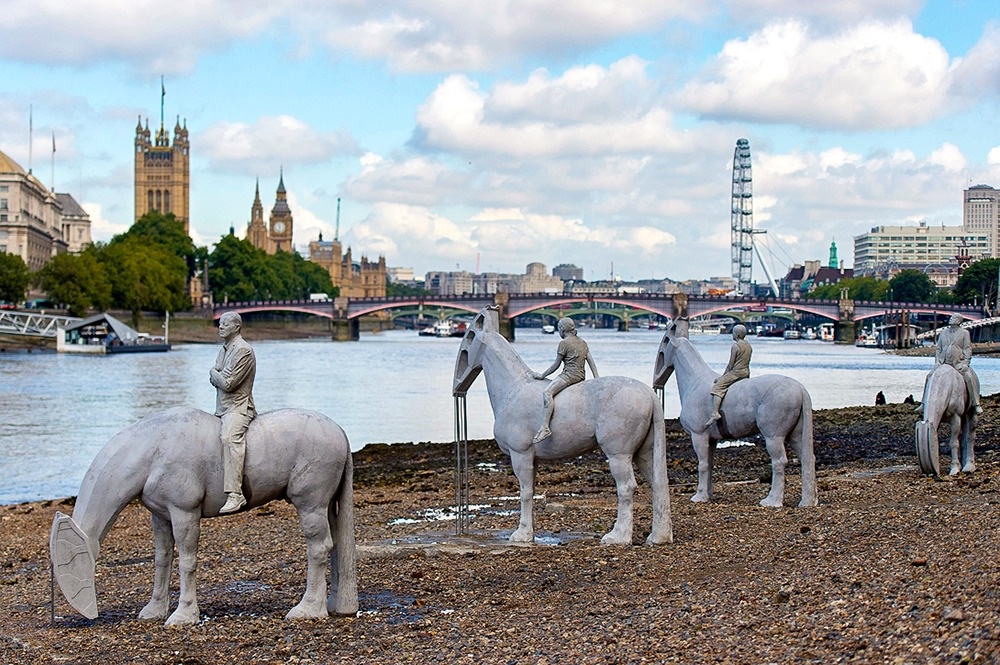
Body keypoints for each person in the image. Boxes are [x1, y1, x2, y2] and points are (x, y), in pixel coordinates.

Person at [210, 311, 257, 513]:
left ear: (236, 327)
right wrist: (216, 375)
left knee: (230, 438)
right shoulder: (225, 349)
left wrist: (213, 374)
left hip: (239, 407)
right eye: (219, 324)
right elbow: (218, 376)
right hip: (223, 407)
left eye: (224, 324)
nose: (220, 327)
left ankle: (235, 494)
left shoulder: (243, 350)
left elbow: (227, 383)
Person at [531, 317, 598, 443]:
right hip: (581, 376)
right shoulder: (582, 342)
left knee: (547, 393)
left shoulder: (564, 343)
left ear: (562, 330)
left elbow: (555, 365)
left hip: (569, 376)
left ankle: (545, 427)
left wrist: (542, 375)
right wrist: (597, 379)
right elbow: (591, 363)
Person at [705, 324, 752, 428]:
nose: (732, 334)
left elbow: (730, 365)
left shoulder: (736, 346)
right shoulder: (748, 345)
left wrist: (722, 378)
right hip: (746, 373)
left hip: (736, 373)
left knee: (717, 387)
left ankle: (715, 413)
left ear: (737, 334)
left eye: (733, 332)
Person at [935, 313, 982, 415]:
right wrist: (937, 362)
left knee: (969, 377)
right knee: (930, 376)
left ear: (959, 321)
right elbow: (938, 349)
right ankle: (924, 403)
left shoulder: (965, 333)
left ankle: (976, 403)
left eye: (953, 318)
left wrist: (966, 363)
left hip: (958, 363)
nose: (951, 319)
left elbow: (967, 349)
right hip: (944, 363)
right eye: (951, 317)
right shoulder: (943, 332)